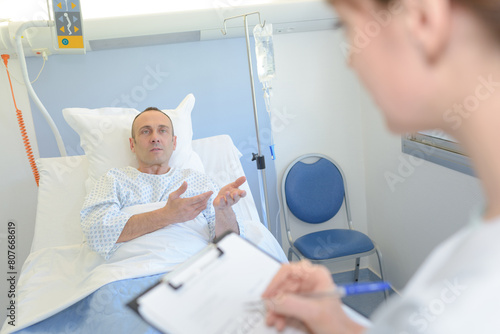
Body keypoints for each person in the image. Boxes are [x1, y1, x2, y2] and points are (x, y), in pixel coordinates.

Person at [262, 0, 500, 333]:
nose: (351, 58)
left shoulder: (475, 298)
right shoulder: (480, 245)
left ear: (423, 19)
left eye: (347, 28)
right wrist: (334, 320)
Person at [80, 107, 247, 260]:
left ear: (174, 143)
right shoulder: (114, 180)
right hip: (130, 271)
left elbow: (228, 243)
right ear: (133, 144)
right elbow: (95, 232)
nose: (155, 138)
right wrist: (166, 215)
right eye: (145, 132)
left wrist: (223, 211)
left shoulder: (199, 181)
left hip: (194, 268)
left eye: (162, 131)